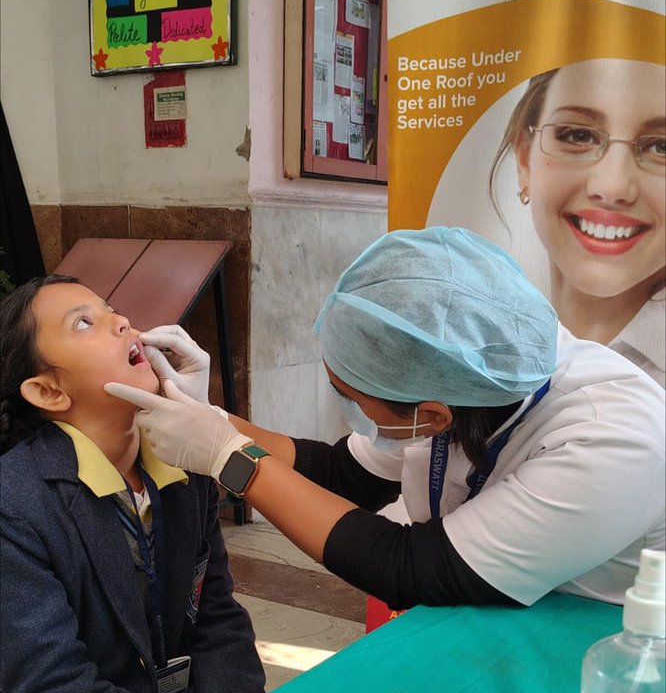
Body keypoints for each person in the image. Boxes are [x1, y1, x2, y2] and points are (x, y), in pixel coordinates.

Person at [106, 226, 664, 615]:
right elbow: (341, 472)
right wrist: (213, 416)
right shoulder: (468, 372)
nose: (119, 325)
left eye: (350, 395)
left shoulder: (608, 441)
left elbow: (410, 568)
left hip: (599, 634)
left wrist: (230, 459)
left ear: (433, 415)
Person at [0, 275, 265, 693]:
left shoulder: (181, 461)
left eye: (114, 310)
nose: (122, 322)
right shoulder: (17, 501)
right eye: (84, 323)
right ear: (46, 389)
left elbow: (217, 617)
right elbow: (52, 686)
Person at [489, 57, 665, 385]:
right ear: (525, 160)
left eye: (662, 146)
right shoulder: (482, 336)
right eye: (578, 136)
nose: (612, 187)